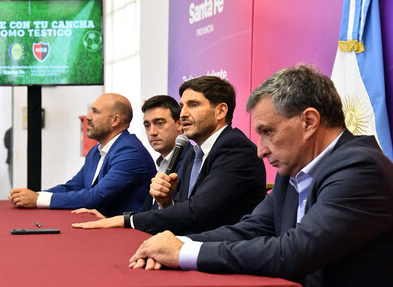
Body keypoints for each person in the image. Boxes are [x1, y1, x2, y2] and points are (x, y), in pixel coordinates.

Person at [128, 65, 393, 287]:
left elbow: (295, 252)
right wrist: (176, 241)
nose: (261, 150)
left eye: (268, 132)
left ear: (309, 122)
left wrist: (185, 252)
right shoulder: (294, 167)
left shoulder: (360, 167)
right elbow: (251, 229)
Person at [73, 76, 266, 235]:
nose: (183, 114)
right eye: (182, 106)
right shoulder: (194, 152)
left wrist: (124, 220)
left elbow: (197, 212)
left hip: (221, 258)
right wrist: (166, 203)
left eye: (193, 105)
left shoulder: (235, 148)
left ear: (221, 111)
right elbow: (181, 209)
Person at [8, 93, 156, 217]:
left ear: (115, 120)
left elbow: (96, 197)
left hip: (131, 237)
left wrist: (38, 199)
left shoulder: (130, 152)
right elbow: (73, 187)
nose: (88, 117)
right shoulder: (96, 152)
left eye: (96, 112)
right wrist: (33, 195)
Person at [71, 95, 192, 220]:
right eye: (147, 125)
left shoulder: (192, 162)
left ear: (179, 124)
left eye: (159, 123)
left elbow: (184, 216)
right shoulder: (163, 164)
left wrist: (119, 222)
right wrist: (110, 221)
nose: (152, 132)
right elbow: (149, 214)